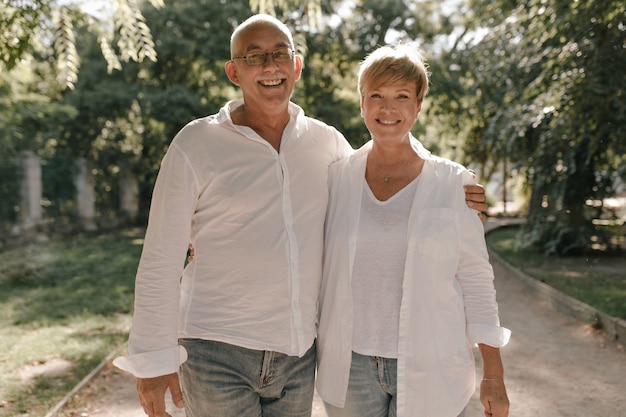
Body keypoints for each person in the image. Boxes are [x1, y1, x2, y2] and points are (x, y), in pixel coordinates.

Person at [112, 15, 488, 417]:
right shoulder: (196, 144)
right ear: (233, 71)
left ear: (296, 66)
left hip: (297, 356)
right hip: (215, 350)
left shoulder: (327, 144)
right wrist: (153, 358)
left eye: (280, 54)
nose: (270, 66)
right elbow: (160, 257)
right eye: (254, 57)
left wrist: (451, 194)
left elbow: (385, 171)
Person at [315, 45, 511, 417]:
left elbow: (475, 278)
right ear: (362, 102)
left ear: (418, 105)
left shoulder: (454, 184)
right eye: (376, 95)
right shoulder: (335, 178)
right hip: (350, 367)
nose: (387, 109)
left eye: (401, 97)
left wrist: (494, 373)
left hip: (431, 360)